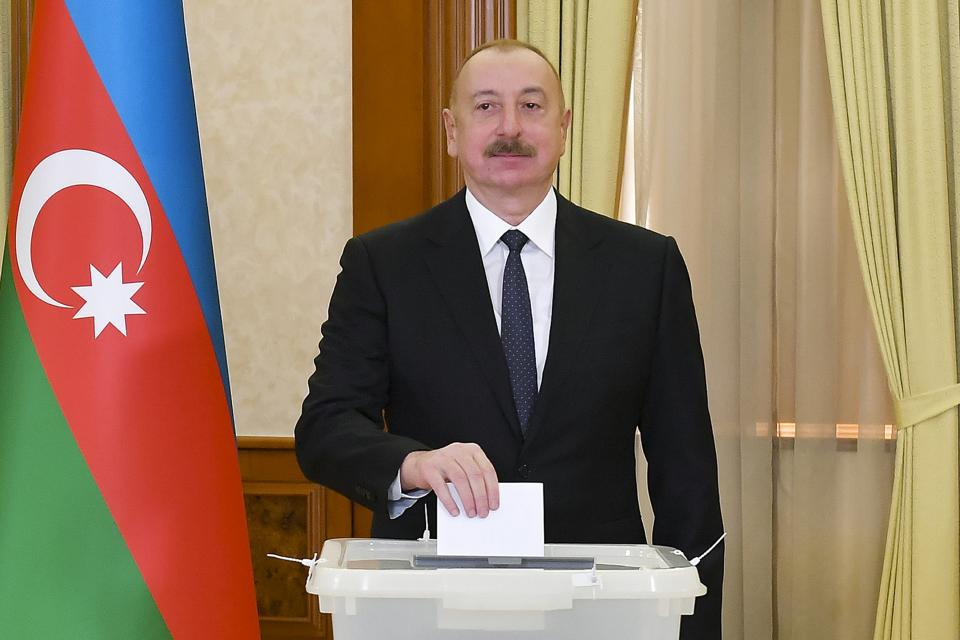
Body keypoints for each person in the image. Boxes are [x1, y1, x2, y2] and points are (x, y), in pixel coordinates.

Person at [295, 39, 723, 638]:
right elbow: (325, 428)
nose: (510, 129)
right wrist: (411, 464)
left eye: (531, 106)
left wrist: (693, 626)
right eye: (487, 107)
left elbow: (687, 474)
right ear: (452, 129)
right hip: (429, 604)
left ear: (564, 126)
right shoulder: (383, 263)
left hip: (601, 605)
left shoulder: (645, 267)